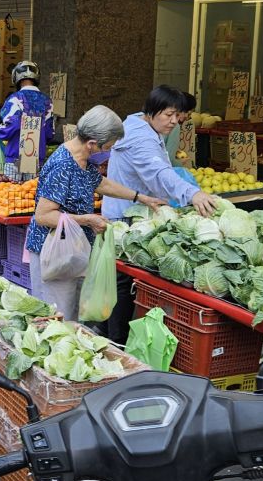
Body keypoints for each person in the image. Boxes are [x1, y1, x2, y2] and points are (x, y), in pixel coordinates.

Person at [25, 105, 164, 320]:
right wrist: (86, 220)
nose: (108, 151)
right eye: (107, 147)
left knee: (72, 316)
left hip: (74, 249)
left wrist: (140, 197)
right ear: (92, 143)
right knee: (55, 317)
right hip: (54, 252)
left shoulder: (83, 161)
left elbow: (100, 183)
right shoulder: (63, 165)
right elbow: (43, 215)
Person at [105, 86, 220, 220]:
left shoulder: (143, 123)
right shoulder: (141, 139)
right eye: (169, 115)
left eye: (177, 115)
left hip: (130, 210)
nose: (174, 121)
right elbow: (159, 172)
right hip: (126, 216)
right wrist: (192, 193)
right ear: (150, 111)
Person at [0, 61, 55, 180]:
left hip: (15, 157)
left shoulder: (15, 98)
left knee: (13, 195)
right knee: (31, 194)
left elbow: (11, 125)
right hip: (36, 159)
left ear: (16, 78)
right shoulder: (48, 101)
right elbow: (49, 133)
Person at [164, 91, 197, 164]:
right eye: (188, 112)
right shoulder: (174, 125)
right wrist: (180, 163)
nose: (187, 117)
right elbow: (169, 159)